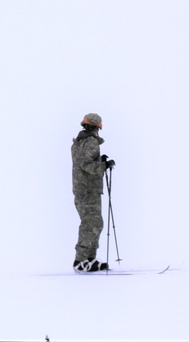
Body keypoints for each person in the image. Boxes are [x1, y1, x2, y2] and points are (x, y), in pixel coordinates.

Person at [71, 113, 115, 273]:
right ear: (97, 127)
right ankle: (81, 261)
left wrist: (99, 161)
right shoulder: (90, 142)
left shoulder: (78, 142)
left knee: (94, 224)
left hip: (83, 189)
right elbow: (86, 165)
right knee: (91, 224)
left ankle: (89, 260)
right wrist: (103, 166)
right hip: (88, 189)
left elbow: (83, 162)